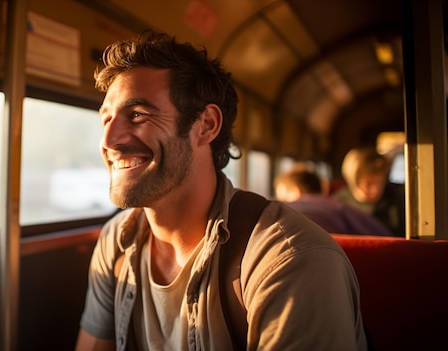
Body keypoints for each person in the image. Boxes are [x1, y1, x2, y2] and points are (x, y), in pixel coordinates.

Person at [75, 31, 367, 350]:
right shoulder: (116, 241)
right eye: (106, 119)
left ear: (206, 125)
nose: (108, 140)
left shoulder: (290, 260)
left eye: (138, 115)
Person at [274, 165, 392, 235]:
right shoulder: (341, 208)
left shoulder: (280, 213)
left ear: (295, 191)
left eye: (282, 196)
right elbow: (382, 236)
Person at [331, 147, 405, 237]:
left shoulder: (398, 198)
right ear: (354, 180)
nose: (375, 190)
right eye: (368, 183)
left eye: (380, 183)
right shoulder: (339, 203)